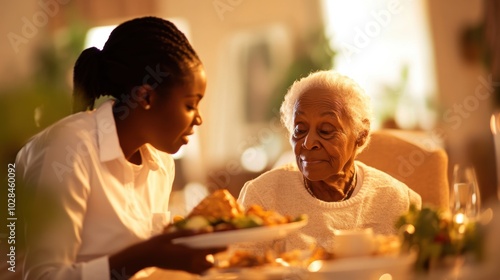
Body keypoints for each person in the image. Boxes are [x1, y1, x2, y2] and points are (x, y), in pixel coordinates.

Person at [15, 16, 224, 280]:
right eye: (190, 105)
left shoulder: (160, 163)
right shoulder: (69, 149)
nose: (198, 119)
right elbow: (42, 276)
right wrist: (145, 254)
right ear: (146, 96)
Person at [237, 70, 422, 253]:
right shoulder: (262, 197)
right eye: (300, 130)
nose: (308, 143)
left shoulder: (398, 201)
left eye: (326, 130)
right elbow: (236, 270)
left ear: (361, 136)